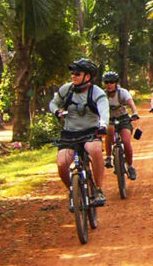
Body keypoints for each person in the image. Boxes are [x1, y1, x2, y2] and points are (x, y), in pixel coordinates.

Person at [50, 58, 109, 207]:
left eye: (77, 73)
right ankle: (73, 191)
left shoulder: (97, 93)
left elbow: (104, 111)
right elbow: (53, 102)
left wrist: (103, 126)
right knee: (62, 163)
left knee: (95, 150)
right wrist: (56, 111)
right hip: (69, 133)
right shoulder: (66, 89)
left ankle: (98, 189)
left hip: (91, 132)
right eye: (72, 73)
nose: (73, 76)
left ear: (87, 76)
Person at [101, 71, 141, 180]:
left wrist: (134, 113)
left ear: (116, 83)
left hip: (123, 119)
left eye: (111, 82)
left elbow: (131, 103)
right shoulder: (102, 95)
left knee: (127, 142)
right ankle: (109, 157)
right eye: (107, 82)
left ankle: (130, 166)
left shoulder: (122, 92)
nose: (109, 85)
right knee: (109, 130)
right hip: (109, 119)